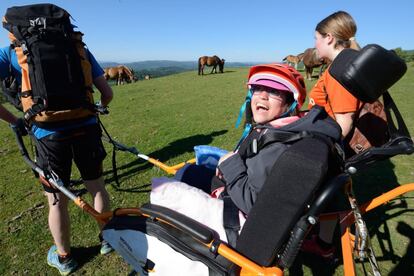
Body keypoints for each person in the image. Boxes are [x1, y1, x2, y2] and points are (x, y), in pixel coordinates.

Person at [0, 5, 114, 275]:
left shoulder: (12, 53)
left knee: (56, 199)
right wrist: (97, 106)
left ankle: (65, 257)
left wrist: (16, 120)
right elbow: (107, 93)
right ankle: (108, 240)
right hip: (87, 128)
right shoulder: (78, 49)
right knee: (97, 187)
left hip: (48, 135)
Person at [303, 10, 362, 259]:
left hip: (327, 141)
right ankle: (322, 238)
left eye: (316, 38)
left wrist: (320, 152)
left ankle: (324, 244)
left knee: (319, 189)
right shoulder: (338, 66)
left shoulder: (339, 72)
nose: (314, 44)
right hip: (323, 133)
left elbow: (343, 123)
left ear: (328, 38)